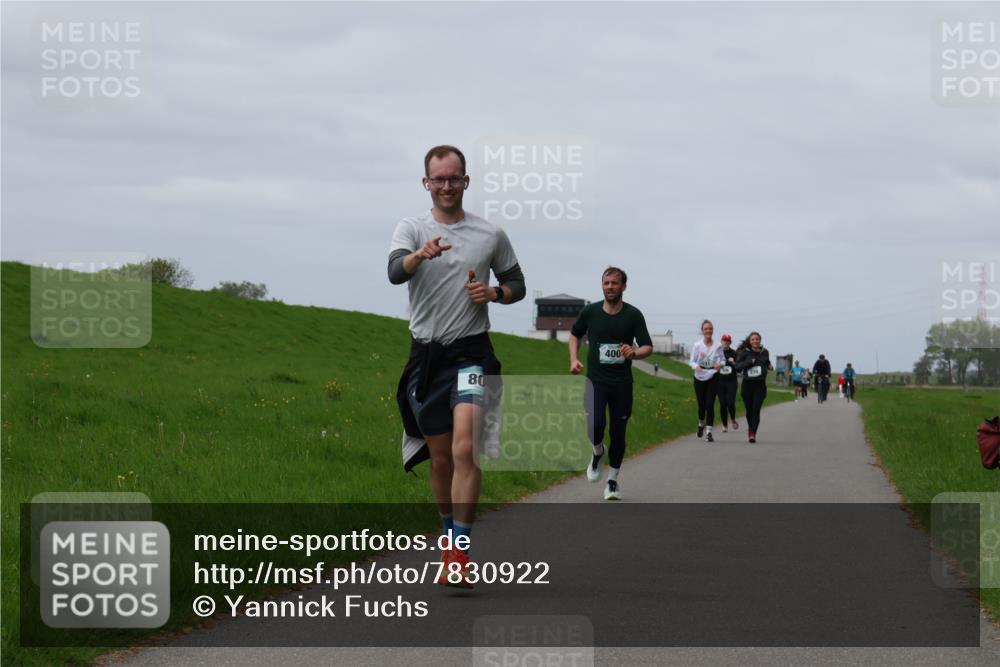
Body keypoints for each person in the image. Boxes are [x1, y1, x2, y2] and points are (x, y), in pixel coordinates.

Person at [389, 145, 526, 587]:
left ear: (466, 181)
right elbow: (394, 272)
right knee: (442, 458)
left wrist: (496, 295)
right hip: (427, 359)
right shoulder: (411, 228)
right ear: (426, 183)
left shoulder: (489, 234)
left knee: (466, 449)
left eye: (454, 178)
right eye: (438, 179)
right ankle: (448, 537)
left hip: (471, 354)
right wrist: (418, 257)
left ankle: (460, 554)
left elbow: (517, 283)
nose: (447, 186)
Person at [570, 267, 653, 501]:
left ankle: (612, 481)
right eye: (606, 283)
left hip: (622, 384)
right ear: (602, 285)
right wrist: (574, 359)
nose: (610, 287)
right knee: (594, 425)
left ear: (624, 286)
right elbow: (575, 334)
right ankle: (597, 452)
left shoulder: (633, 315)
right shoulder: (590, 312)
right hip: (596, 382)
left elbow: (647, 346)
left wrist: (635, 353)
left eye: (615, 283)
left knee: (619, 434)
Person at [689, 320, 725, 442]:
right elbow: (692, 361)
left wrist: (720, 365)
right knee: (702, 405)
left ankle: (709, 432)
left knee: (710, 404)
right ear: (702, 331)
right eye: (706, 329)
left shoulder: (718, 346)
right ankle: (701, 423)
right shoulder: (697, 345)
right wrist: (696, 367)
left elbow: (723, 360)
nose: (708, 331)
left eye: (710, 329)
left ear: (712, 330)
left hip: (713, 376)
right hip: (699, 377)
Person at [735, 331, 770, 443]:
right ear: (750, 342)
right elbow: (738, 367)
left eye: (757, 339)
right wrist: (749, 362)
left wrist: (769, 365)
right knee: (749, 411)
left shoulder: (765, 352)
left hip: (760, 385)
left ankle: (752, 433)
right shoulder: (744, 353)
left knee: (756, 410)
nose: (755, 341)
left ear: (760, 340)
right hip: (747, 385)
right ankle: (751, 428)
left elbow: (766, 361)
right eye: (753, 339)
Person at [717, 334, 739, 432]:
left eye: (727, 341)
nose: (725, 343)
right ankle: (725, 425)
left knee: (730, 402)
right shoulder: (717, 353)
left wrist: (733, 362)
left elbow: (739, 368)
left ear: (730, 343)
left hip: (731, 382)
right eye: (724, 341)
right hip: (720, 382)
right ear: (721, 342)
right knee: (722, 403)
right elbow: (712, 364)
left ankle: (733, 419)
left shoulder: (734, 353)